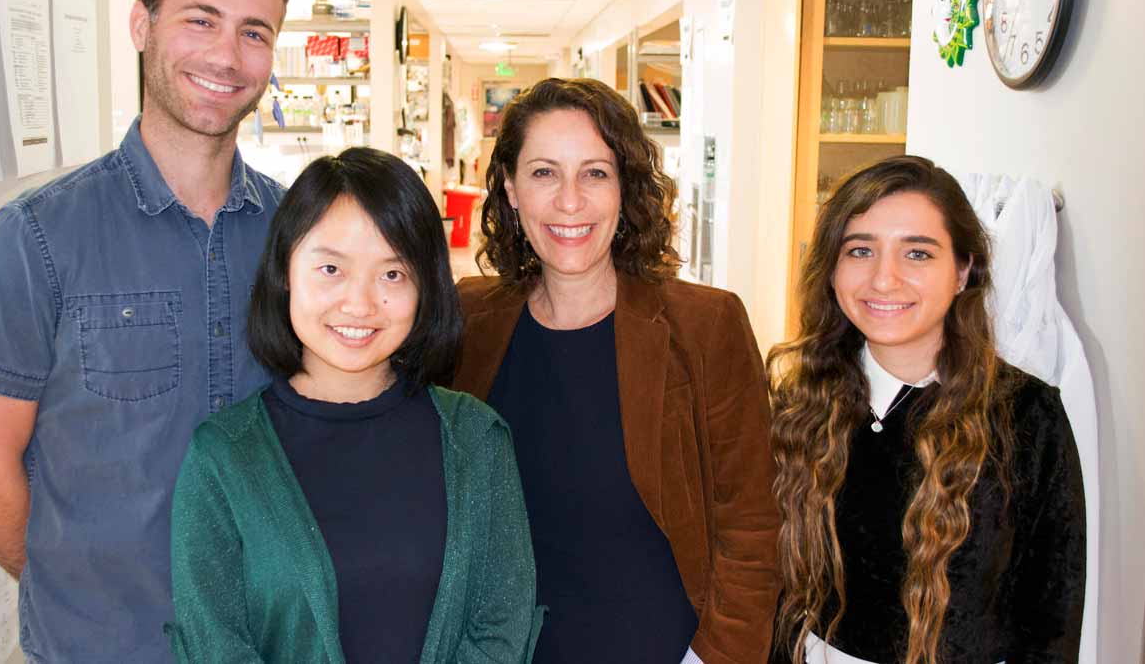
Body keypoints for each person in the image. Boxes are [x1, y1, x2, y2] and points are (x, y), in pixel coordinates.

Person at [0, 0, 288, 662]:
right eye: (200, 19)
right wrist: (77, 597)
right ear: (142, 25)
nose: (226, 55)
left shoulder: (301, 238)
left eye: (253, 32)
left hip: (270, 642)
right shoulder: (31, 242)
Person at [166, 147, 540, 663]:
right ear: (284, 273)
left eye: (392, 275)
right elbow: (215, 642)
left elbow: (502, 622)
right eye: (330, 268)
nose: (359, 304)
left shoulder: (476, 439)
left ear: (425, 289)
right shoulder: (224, 457)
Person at [454, 77, 780, 664]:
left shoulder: (705, 327)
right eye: (544, 172)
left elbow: (754, 526)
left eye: (595, 173)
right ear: (510, 188)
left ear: (626, 189)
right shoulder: (471, 319)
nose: (570, 201)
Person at [767, 156, 1085, 664]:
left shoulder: (1025, 414)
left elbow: (1052, 618)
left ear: (963, 271)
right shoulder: (797, 403)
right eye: (860, 250)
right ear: (831, 269)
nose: (884, 279)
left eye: (917, 253)